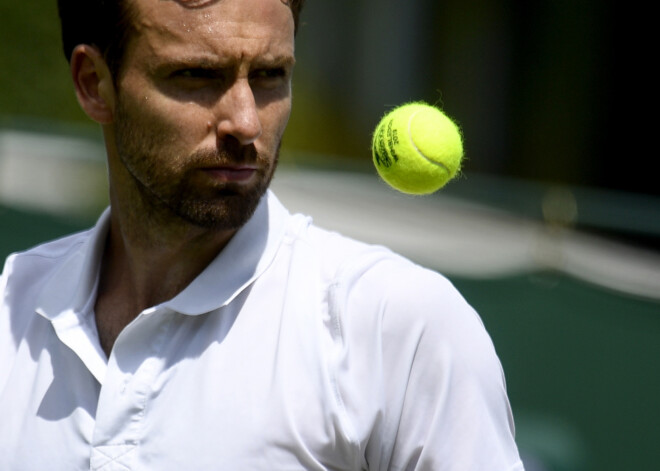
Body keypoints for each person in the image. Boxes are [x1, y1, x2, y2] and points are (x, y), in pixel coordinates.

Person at [0, 0, 525, 469]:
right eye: (197, 75)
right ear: (95, 83)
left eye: (271, 74)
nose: (246, 122)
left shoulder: (401, 325)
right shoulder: (9, 309)